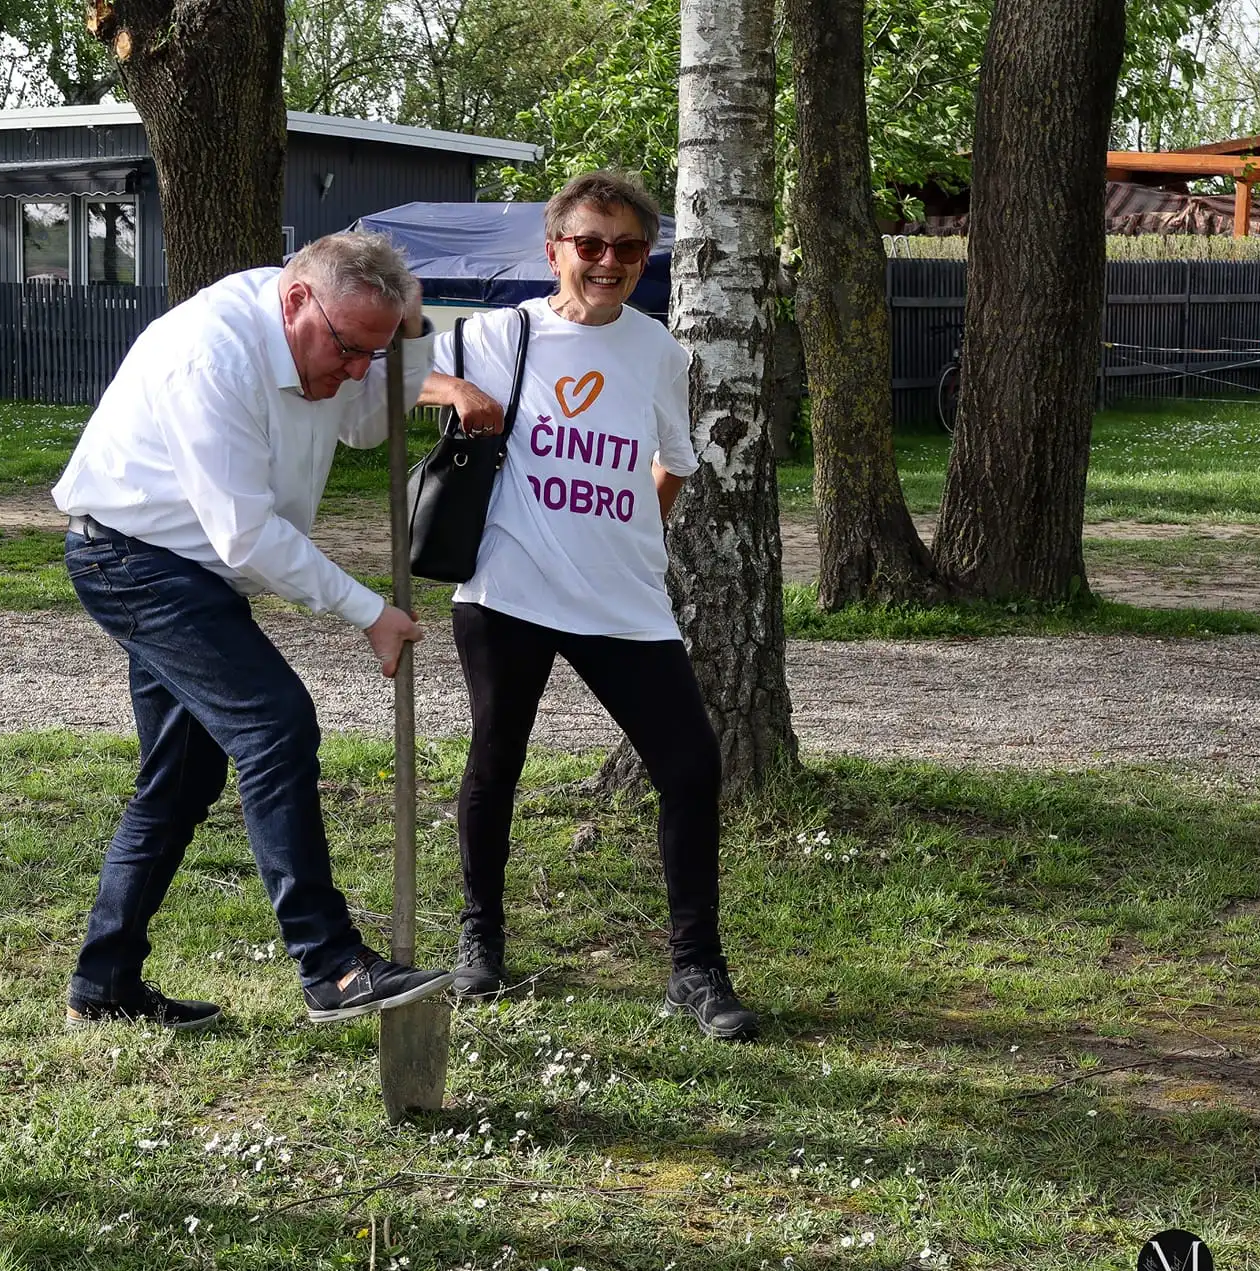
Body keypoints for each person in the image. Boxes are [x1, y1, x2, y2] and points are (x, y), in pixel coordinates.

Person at [52, 231, 453, 1031]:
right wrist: (369, 612)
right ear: (298, 299)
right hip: (134, 560)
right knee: (275, 725)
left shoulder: (332, 332)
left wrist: (413, 338)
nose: (353, 372)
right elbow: (245, 536)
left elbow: (367, 424)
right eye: (347, 350)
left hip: (188, 569)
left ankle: (104, 983)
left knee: (180, 781)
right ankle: (330, 965)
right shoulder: (212, 354)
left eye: (371, 354)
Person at [418, 170, 758, 1041]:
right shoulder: (497, 334)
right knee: (496, 762)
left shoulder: (659, 351)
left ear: (648, 258)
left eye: (629, 248)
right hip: (508, 590)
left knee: (689, 767)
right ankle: (480, 938)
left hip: (624, 600)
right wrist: (460, 393)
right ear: (554, 250)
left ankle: (696, 968)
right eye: (590, 245)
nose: (609, 263)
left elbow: (674, 460)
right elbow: (396, 369)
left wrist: (625, 531)